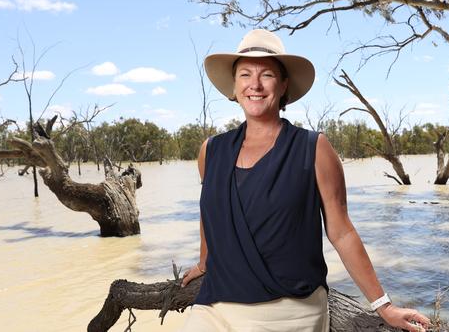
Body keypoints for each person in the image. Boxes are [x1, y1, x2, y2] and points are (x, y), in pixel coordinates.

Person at [179, 29, 430, 332]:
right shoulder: (211, 150)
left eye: (267, 75)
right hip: (215, 307)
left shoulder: (313, 148)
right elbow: (212, 212)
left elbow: (342, 232)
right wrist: (205, 262)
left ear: (284, 85)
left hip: (289, 310)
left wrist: (384, 306)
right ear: (234, 85)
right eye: (245, 74)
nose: (255, 85)